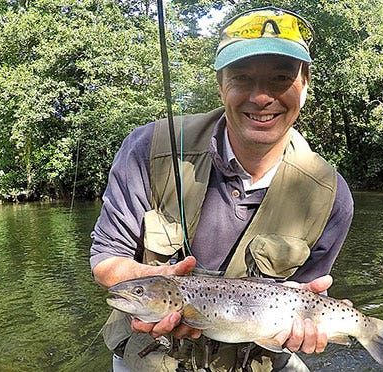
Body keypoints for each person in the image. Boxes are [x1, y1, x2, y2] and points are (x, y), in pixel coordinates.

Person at [90, 6, 354, 372]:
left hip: (257, 358)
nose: (262, 98)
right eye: (242, 78)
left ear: (305, 86)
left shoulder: (329, 197)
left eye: (280, 78)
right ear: (220, 86)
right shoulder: (149, 149)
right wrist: (145, 284)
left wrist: (305, 331)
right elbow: (106, 263)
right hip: (152, 356)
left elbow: (305, 295)